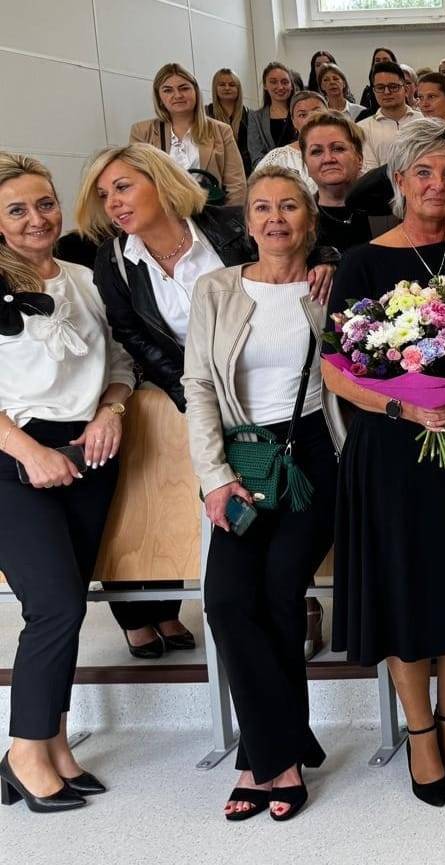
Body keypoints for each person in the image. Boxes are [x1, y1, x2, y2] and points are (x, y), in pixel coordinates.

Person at [318, 120, 445, 808]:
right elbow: (336, 369)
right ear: (400, 180)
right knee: (403, 588)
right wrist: (402, 407)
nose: (438, 185)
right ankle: (419, 730)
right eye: (425, 172)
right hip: (390, 448)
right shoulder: (362, 261)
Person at [183, 167, 337, 822]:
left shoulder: (331, 284)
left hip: (312, 456)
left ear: (311, 219)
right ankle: (284, 746)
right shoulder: (216, 289)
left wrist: (335, 270)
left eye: (290, 207)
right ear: (247, 224)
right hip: (242, 457)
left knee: (278, 593)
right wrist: (215, 476)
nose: (276, 218)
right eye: (263, 208)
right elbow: (198, 386)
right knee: (224, 599)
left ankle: (262, 758)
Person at [0, 152, 134, 814]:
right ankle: (24, 749)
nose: (37, 218)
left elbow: (121, 361)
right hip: (13, 457)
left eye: (45, 203)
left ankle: (51, 742)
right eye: (17, 209)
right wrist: (29, 452)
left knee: (67, 605)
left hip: (87, 456)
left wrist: (111, 409)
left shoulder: (85, 278)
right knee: (53, 604)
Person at [79, 143, 250, 657]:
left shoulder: (229, 227)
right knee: (160, 499)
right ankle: (144, 615)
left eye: (123, 187)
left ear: (161, 181)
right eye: (103, 195)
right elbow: (131, 333)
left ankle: (289, 601)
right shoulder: (113, 258)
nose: (113, 203)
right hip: (181, 392)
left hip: (257, 385)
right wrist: (188, 392)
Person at [129, 63, 247, 206]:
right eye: (168, 90)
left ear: (196, 91)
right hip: (163, 213)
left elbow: (236, 185)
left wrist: (226, 217)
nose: (178, 95)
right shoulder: (142, 132)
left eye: (184, 88)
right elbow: (136, 182)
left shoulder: (222, 131)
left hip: (211, 212)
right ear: (159, 97)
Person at [299, 112, 375, 251]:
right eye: (316, 151)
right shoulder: (298, 221)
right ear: (306, 165)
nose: (328, 159)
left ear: (359, 159)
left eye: (338, 149)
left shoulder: (388, 214)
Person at [254, 91, 329, 197]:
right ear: (293, 122)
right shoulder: (278, 159)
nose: (311, 118)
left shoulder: (345, 150)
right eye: (302, 115)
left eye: (317, 112)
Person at [358, 62, 425, 173]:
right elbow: (369, 173)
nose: (387, 92)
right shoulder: (362, 129)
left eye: (393, 87)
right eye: (380, 87)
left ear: (406, 90)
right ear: (374, 91)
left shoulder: (423, 122)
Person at [244, 63, 298, 171]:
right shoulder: (255, 117)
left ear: (291, 86)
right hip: (270, 175)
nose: (280, 87)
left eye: (285, 82)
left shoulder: (302, 113)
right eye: (273, 82)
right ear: (265, 85)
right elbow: (256, 155)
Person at [206, 68, 249, 144]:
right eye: (222, 84)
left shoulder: (249, 115)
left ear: (238, 89)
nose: (227, 88)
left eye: (232, 85)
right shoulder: (206, 113)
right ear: (215, 88)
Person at [356, 47, 398, 111]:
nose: (381, 63)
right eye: (377, 61)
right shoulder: (368, 92)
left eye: (385, 60)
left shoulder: (401, 87)